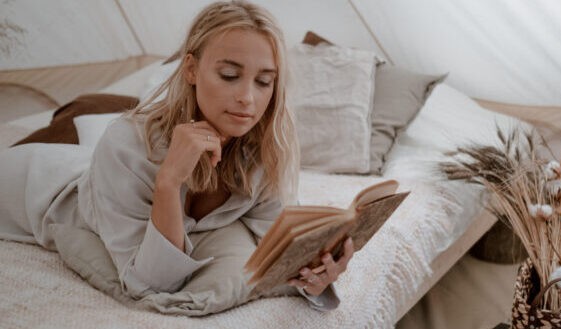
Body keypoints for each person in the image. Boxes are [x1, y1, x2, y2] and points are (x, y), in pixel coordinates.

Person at [0, 0, 351, 311]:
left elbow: (281, 244)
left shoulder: (264, 153)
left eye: (264, 81)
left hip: (89, 171)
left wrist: (316, 277)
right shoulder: (126, 144)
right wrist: (168, 182)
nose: (247, 97)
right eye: (230, 75)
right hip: (29, 184)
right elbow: (150, 282)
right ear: (191, 70)